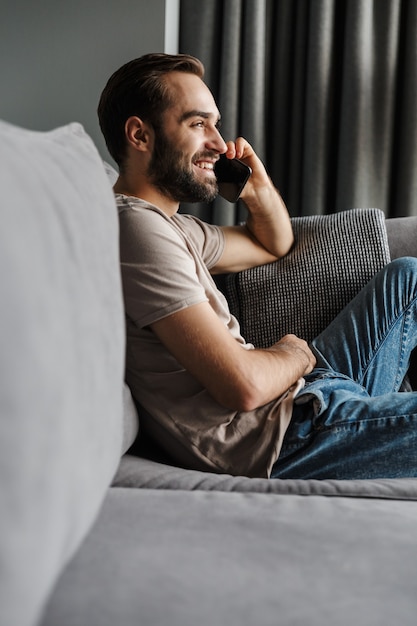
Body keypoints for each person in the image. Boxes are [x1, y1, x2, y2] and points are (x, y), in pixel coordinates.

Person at [98, 52, 417, 480]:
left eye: (215, 124)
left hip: (300, 397)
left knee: (407, 277)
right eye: (197, 124)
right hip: (282, 437)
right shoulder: (136, 229)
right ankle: (362, 418)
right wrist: (295, 354)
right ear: (139, 134)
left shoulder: (174, 228)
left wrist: (255, 186)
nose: (218, 142)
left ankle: (363, 414)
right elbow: (243, 387)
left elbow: (272, 243)